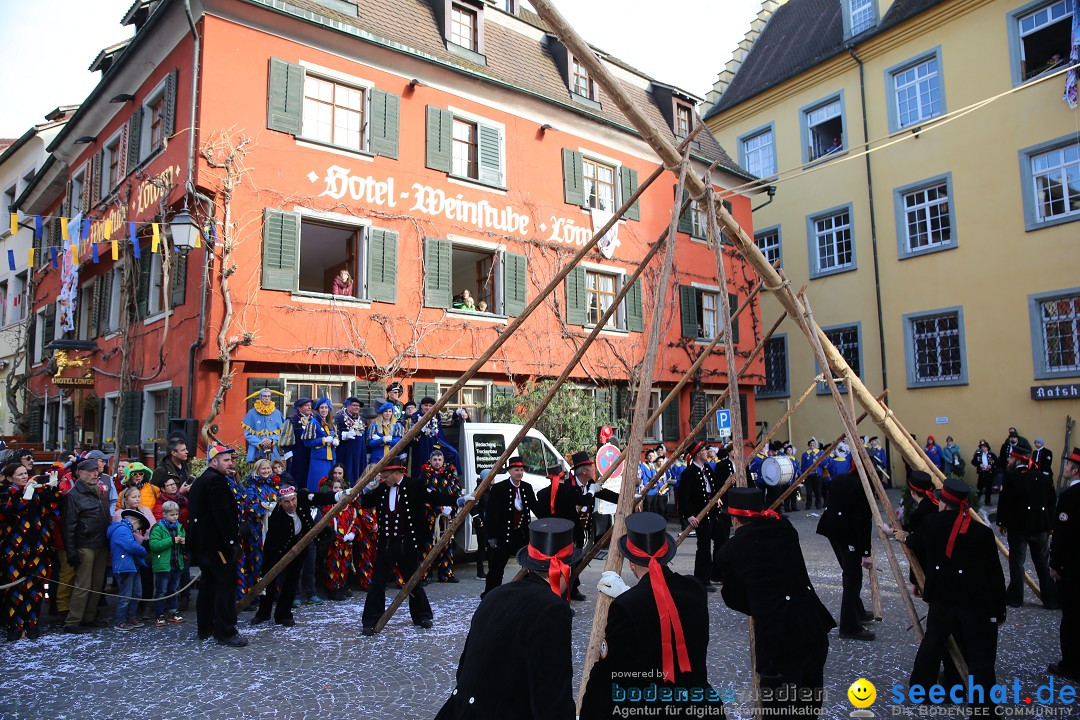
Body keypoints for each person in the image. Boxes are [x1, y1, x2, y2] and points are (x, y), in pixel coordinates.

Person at [581, 512, 724, 719]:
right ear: (667, 555)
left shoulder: (626, 606)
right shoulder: (695, 589)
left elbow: (611, 672)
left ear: (631, 562)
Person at [436, 518, 577, 719]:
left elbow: (464, 668)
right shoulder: (553, 609)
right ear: (566, 569)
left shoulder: (495, 594)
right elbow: (551, 697)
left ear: (528, 566)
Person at [717, 489, 834, 715]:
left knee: (780, 708)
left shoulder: (730, 550)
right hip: (812, 625)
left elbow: (732, 598)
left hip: (778, 639)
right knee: (809, 705)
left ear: (734, 519)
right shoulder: (785, 528)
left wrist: (763, 605)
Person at [906, 477, 1005, 712]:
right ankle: (984, 710)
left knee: (933, 643)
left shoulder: (930, 524)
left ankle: (921, 690)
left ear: (942, 503)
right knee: (980, 658)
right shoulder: (982, 532)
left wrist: (900, 536)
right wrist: (999, 609)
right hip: (975, 603)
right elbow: (994, 574)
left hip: (943, 600)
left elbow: (913, 542)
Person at [359, 459, 467, 635]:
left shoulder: (414, 484)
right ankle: (371, 620)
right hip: (386, 543)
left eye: (385, 475)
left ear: (396, 473)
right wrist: (366, 489)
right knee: (377, 582)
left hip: (408, 543)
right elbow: (365, 504)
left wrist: (459, 500)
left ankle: (422, 615)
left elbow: (435, 497)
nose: (382, 478)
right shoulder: (381, 488)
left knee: (413, 580)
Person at [251, 483, 340, 627]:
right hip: (276, 551)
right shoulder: (277, 517)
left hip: (299, 549)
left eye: (293, 500)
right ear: (280, 502)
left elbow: (320, 498)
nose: (291, 504)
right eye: (286, 501)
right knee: (269, 583)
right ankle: (263, 613)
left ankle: (284, 615)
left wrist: (340, 495)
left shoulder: (303, 498)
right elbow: (276, 542)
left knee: (291, 581)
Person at [187, 444, 248, 647]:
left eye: (231, 460)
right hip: (217, 545)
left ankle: (205, 627)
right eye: (226, 460)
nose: (230, 463)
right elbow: (222, 516)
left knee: (208, 586)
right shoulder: (216, 482)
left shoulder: (202, 481)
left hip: (204, 545)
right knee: (224, 587)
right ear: (214, 461)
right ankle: (225, 631)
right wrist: (233, 542)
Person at [536, 460, 618, 601]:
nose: (594, 471)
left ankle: (572, 589)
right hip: (566, 533)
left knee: (574, 562)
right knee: (565, 564)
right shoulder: (570, 488)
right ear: (584, 471)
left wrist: (625, 497)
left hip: (577, 531)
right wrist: (590, 492)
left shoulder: (589, 484)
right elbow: (583, 500)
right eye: (592, 469)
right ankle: (563, 591)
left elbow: (604, 494)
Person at [0, 463, 61, 641]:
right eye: (20, 475)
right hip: (14, 549)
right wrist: (24, 495)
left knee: (35, 588)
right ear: (10, 478)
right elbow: (6, 511)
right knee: (14, 590)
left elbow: (53, 507)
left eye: (25, 473)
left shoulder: (36, 492)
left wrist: (53, 487)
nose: (25, 477)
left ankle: (32, 624)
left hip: (37, 548)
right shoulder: (5, 493)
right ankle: (16, 627)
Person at [997, 437, 1059, 609]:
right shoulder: (1043, 478)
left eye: (1010, 458)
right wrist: (1050, 526)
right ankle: (1051, 599)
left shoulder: (1011, 477)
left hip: (1018, 527)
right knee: (1042, 563)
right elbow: (1051, 502)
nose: (1008, 460)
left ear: (1017, 459)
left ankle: (1015, 598)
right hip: (1040, 528)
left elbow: (1005, 502)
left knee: (1017, 562)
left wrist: (1002, 522)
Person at [816, 470, 875, 640]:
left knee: (849, 573)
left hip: (833, 529)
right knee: (853, 577)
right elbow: (863, 519)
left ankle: (858, 611)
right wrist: (866, 553)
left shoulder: (841, 478)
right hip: (846, 533)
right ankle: (849, 626)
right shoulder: (862, 485)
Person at [61, 458, 113, 634]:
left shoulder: (98, 490)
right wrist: (71, 552)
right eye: (90, 471)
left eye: (96, 471)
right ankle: (73, 620)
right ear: (80, 473)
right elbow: (68, 526)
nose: (95, 474)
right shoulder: (73, 495)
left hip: (100, 543)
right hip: (85, 545)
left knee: (97, 584)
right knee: (83, 584)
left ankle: (88, 617)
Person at [482, 456, 542, 597]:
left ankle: (527, 593)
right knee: (496, 567)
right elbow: (491, 514)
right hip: (503, 535)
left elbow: (536, 508)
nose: (519, 473)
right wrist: (491, 536)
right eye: (516, 470)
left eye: (521, 470)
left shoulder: (526, 487)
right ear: (509, 471)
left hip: (521, 534)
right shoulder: (499, 488)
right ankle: (491, 594)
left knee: (529, 565)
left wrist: (548, 522)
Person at [1049, 447, 1080, 682]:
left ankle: (1070, 664)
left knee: (1071, 619)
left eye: (1069, 465)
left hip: (1072, 570)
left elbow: (1062, 536)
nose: (1066, 468)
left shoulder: (1069, 497)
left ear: (1075, 470)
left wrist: (1055, 564)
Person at [677, 441, 723, 592]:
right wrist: (689, 515)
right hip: (700, 515)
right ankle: (702, 579)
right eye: (705, 450)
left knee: (721, 538)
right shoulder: (689, 472)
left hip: (713, 512)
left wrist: (718, 498)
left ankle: (717, 573)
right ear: (698, 454)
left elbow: (714, 486)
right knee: (703, 547)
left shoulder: (708, 468)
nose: (707, 452)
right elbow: (683, 496)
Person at [420, 449, 463, 584]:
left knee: (447, 544)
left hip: (448, 515)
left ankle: (446, 574)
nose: (437, 462)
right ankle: (424, 575)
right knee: (428, 545)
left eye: (439, 460)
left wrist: (452, 507)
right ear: (430, 461)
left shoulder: (450, 474)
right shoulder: (425, 475)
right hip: (431, 516)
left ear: (443, 461)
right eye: (435, 460)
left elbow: (457, 490)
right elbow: (425, 496)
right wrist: (440, 508)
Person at [108, 508, 149, 631]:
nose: (139, 528)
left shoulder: (125, 530)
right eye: (140, 525)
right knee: (126, 595)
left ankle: (131, 617)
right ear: (135, 522)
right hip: (124, 566)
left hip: (131, 566)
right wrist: (143, 550)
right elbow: (131, 546)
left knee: (136, 593)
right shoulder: (122, 530)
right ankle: (120, 620)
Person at [148, 500, 186, 626]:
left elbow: (183, 545)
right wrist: (171, 540)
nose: (175, 517)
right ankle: (159, 614)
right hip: (163, 565)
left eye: (176, 514)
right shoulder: (158, 528)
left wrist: (183, 543)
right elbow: (154, 545)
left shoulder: (179, 527)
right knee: (161, 590)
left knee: (174, 589)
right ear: (164, 514)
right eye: (172, 515)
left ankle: (173, 612)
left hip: (176, 563)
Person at [322, 474, 357, 601]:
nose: (337, 490)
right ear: (332, 490)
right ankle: (332, 589)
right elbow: (327, 525)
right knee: (333, 565)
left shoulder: (349, 507)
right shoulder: (328, 507)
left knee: (344, 565)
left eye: (339, 488)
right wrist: (336, 536)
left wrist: (351, 534)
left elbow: (354, 521)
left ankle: (341, 586)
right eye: (335, 488)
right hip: (334, 542)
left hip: (346, 542)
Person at [406, 396, 463, 475]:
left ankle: (450, 477)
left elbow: (447, 418)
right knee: (421, 467)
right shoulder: (414, 417)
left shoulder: (436, 415)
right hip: (419, 446)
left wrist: (459, 412)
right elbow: (409, 434)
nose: (428, 408)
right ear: (421, 406)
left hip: (435, 444)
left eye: (430, 406)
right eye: (426, 405)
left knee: (453, 453)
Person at [302, 398, 339, 493]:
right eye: (322, 408)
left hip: (332, 458)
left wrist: (336, 440)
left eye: (326, 407)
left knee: (332, 484)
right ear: (318, 410)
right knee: (319, 485)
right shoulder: (313, 423)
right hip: (319, 459)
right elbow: (307, 442)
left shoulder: (332, 423)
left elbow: (335, 436)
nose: (324, 410)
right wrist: (323, 440)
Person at [279, 398, 314, 492]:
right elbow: (284, 441)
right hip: (297, 456)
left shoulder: (314, 419)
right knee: (296, 480)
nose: (309, 407)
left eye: (310, 405)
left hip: (311, 455)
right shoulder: (292, 420)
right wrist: (289, 455)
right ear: (299, 407)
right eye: (306, 405)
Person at [242, 387, 286, 463]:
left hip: (272, 450)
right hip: (255, 450)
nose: (267, 398)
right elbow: (248, 434)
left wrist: (271, 440)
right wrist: (260, 442)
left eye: (269, 396)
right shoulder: (251, 413)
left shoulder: (277, 413)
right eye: (264, 396)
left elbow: (281, 432)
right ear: (260, 397)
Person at [335, 397, 366, 484]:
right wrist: (343, 435)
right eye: (354, 405)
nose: (357, 407)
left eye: (358, 406)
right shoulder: (339, 417)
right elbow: (334, 432)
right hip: (346, 451)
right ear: (348, 406)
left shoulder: (362, 419)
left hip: (359, 452)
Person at [366, 402, 403, 467]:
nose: (388, 413)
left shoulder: (397, 425)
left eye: (390, 411)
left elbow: (399, 441)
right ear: (382, 413)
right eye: (386, 411)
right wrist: (382, 439)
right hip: (377, 457)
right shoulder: (374, 425)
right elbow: (370, 443)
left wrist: (388, 441)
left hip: (392, 456)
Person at [972, 440, 998, 506]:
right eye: (982, 447)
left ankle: (987, 501)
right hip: (982, 473)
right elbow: (973, 462)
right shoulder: (978, 454)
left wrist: (991, 466)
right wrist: (979, 465)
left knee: (988, 487)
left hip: (989, 473)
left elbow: (997, 462)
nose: (983, 448)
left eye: (984, 447)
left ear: (987, 448)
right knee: (979, 487)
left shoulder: (991, 454)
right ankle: (977, 501)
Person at [801, 438, 825, 510]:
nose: (812, 445)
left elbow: (824, 463)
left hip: (818, 475)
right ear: (809, 445)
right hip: (808, 475)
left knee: (818, 491)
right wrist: (803, 474)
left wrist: (817, 462)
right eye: (810, 444)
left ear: (816, 445)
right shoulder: (805, 454)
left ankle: (818, 504)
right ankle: (808, 505)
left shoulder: (820, 453)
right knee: (808, 491)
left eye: (813, 444)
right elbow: (803, 465)